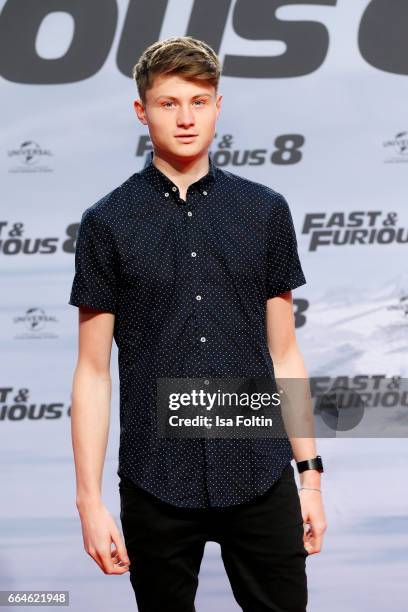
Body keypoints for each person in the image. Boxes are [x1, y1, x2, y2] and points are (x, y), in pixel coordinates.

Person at [69, 35, 327, 612]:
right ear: (142, 110)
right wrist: (89, 502)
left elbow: (284, 354)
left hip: (260, 472)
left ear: (218, 105)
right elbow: (91, 371)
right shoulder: (107, 222)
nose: (186, 119)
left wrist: (309, 477)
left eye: (200, 101)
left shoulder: (263, 210)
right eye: (169, 103)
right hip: (155, 479)